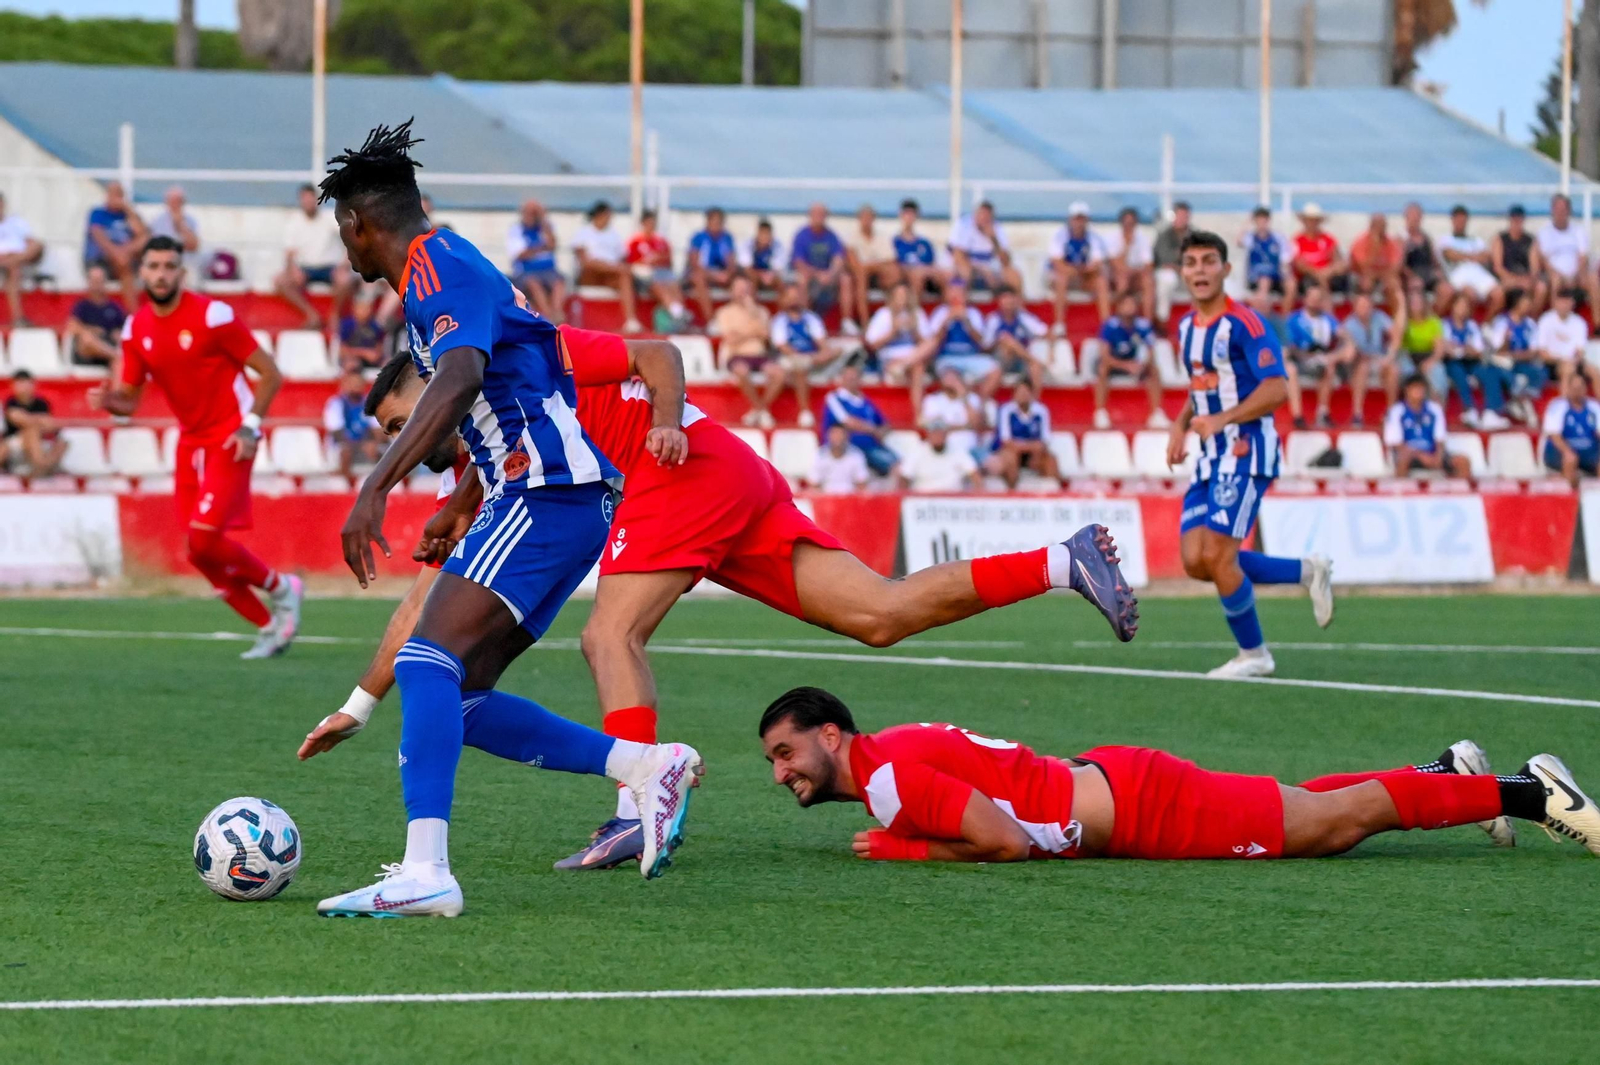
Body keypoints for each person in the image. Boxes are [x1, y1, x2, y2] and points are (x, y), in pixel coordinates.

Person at [341, 324, 1138, 877]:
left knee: (608, 635)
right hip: (727, 473)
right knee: (880, 614)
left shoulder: (517, 353)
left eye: (399, 421)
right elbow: (427, 601)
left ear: (430, 380)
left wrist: (659, 424)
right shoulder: (485, 438)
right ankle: (1061, 563)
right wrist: (362, 699)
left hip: (679, 470)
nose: (400, 443)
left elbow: (654, 356)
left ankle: (637, 801)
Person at [314, 121, 702, 912]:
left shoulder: (436, 267)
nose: (346, 252)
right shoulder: (448, 273)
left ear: (359, 223)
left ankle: (427, 874)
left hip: (547, 490)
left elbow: (460, 380)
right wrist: (458, 502)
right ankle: (642, 768)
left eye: (343, 233)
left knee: (425, 662)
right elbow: (508, 390)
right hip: (556, 496)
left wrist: (376, 485)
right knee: (456, 696)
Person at [757, 687, 1600, 864]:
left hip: (1144, 809)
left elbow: (1006, 842)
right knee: (1310, 808)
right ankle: (1444, 770)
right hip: (1125, 789)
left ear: (833, 733)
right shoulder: (891, 753)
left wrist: (914, 855)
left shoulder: (888, 780)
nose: (781, 772)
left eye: (787, 752)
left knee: (1337, 823)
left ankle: (1531, 791)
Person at [88, 235, 302, 658]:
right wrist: (111, 400)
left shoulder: (214, 315)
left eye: (170, 266)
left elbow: (270, 373)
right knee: (197, 553)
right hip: (190, 442)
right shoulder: (137, 328)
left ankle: (282, 587)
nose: (161, 274)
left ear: (182, 273)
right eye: (153, 266)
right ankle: (269, 625)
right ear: (141, 273)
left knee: (204, 540)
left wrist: (251, 426)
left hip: (230, 435)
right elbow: (129, 400)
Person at [1165, 230, 1333, 679]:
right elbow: (1202, 385)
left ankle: (1255, 655)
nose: (1199, 270)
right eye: (1191, 263)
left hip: (1245, 450)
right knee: (1197, 562)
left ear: (1225, 268)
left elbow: (1278, 387)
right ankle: (1306, 571)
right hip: (1208, 454)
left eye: (1208, 261)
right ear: (1182, 272)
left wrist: (1223, 420)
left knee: (1220, 558)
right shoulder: (1186, 328)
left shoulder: (1246, 323)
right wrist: (1180, 425)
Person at [275, 183, 353, 330]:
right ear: (300, 201)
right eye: (305, 199)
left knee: (345, 280)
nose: (308, 203)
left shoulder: (330, 217)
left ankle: (334, 315)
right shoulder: (294, 223)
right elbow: (289, 253)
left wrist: (344, 264)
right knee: (280, 281)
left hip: (330, 268)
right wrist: (292, 270)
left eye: (311, 199)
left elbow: (350, 240)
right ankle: (312, 315)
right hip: (305, 269)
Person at [1283, 282, 1357, 429]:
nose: (1315, 301)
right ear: (1305, 299)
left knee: (1335, 360)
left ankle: (1322, 413)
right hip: (1301, 358)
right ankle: (1297, 416)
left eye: (1318, 298)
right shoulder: (1295, 319)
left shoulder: (1328, 319)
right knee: (1290, 368)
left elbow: (1344, 335)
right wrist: (1307, 357)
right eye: (1312, 297)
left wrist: (1347, 343)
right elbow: (1290, 347)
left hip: (1323, 358)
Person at [1092, 290, 1167, 430]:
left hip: (1135, 363)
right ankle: (1100, 412)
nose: (1129, 307)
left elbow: (1150, 353)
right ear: (1119, 306)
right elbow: (1105, 356)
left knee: (1154, 370)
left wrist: (1141, 365)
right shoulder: (1109, 326)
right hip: (1115, 363)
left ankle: (1156, 413)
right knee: (1102, 368)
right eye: (1125, 304)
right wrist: (1126, 366)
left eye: (1132, 304)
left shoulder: (1143, 326)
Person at [1435, 292, 1511, 431]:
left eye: (1466, 306)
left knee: (1489, 371)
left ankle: (1491, 412)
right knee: (1457, 370)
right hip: (1452, 362)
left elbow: (1478, 350)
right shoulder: (1444, 324)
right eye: (1460, 305)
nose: (1463, 309)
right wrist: (1464, 348)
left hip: (1471, 361)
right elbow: (1447, 348)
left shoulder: (1472, 326)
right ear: (1453, 306)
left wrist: (1462, 349)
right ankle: (1469, 409)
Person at [712, 274, 778, 428]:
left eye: (746, 288)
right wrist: (754, 331)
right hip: (737, 355)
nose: (743, 292)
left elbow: (766, 336)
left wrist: (748, 322)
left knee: (779, 372)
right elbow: (730, 339)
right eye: (739, 288)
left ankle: (758, 409)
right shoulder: (724, 312)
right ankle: (762, 410)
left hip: (760, 355)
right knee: (741, 371)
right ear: (732, 291)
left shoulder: (761, 311)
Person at [571, 200, 642, 334]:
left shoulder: (614, 235)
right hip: (591, 274)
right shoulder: (584, 232)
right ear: (599, 215)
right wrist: (614, 267)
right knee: (598, 263)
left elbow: (623, 258)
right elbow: (585, 261)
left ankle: (631, 320)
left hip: (610, 274)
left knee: (624, 276)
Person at [769, 282, 832, 428]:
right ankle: (805, 411)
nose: (793, 300)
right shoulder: (779, 320)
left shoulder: (811, 318)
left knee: (842, 351)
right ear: (784, 300)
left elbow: (822, 342)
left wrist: (823, 353)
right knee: (799, 366)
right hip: (790, 359)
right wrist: (806, 358)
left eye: (796, 297)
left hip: (812, 358)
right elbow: (783, 346)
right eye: (790, 297)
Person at [1385, 373, 1471, 478]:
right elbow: (1396, 443)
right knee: (1403, 459)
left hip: (1432, 453)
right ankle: (1400, 492)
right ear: (1406, 390)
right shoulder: (1397, 411)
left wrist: (1438, 456)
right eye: (1415, 388)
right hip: (1410, 454)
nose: (1418, 391)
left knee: (1462, 461)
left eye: (1421, 388)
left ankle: (1458, 492)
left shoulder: (1434, 409)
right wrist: (1420, 455)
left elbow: (1440, 439)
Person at [822, 360, 898, 477]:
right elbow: (848, 422)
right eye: (848, 378)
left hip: (871, 448)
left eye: (854, 378)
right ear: (841, 379)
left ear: (860, 379)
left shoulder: (865, 401)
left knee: (900, 466)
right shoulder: (834, 398)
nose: (851, 381)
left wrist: (881, 431)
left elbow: (884, 424)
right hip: (846, 449)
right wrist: (874, 430)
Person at [924, 281, 999, 400]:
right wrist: (946, 321)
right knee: (949, 378)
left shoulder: (973, 313)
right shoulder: (940, 312)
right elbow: (932, 342)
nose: (956, 296)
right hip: (947, 357)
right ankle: (966, 403)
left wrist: (967, 321)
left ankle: (979, 404)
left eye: (960, 293)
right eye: (953, 292)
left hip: (971, 356)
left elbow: (982, 342)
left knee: (995, 371)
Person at [790, 203, 858, 333]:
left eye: (822, 215)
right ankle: (805, 321)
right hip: (811, 276)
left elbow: (839, 258)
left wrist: (831, 274)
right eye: (816, 214)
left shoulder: (831, 236)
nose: (819, 217)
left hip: (829, 277)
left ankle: (847, 321)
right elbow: (799, 263)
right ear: (810, 216)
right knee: (801, 279)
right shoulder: (801, 236)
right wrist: (818, 274)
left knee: (846, 279)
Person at [1486, 290, 1547, 426]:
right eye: (1526, 302)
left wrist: (1513, 355)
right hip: (1503, 363)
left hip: (1522, 362)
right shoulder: (1502, 322)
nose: (1529, 305)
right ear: (1516, 304)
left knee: (1540, 372)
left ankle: (1517, 400)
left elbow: (1533, 352)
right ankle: (1521, 402)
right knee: (1500, 368)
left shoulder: (1530, 324)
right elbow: (1499, 351)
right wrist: (1506, 341)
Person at [863, 279, 932, 399]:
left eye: (905, 295)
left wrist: (914, 330)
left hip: (912, 356)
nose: (902, 298)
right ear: (892, 297)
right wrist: (892, 332)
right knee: (918, 367)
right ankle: (918, 414)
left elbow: (927, 345)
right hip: (889, 357)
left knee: (927, 351)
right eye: (899, 295)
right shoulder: (883, 314)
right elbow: (871, 345)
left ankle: (902, 365)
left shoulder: (917, 313)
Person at [1048, 202, 1111, 331]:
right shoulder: (1060, 236)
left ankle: (1106, 324)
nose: (1079, 223)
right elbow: (1058, 264)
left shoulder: (1094, 238)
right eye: (1076, 219)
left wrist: (1080, 270)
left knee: (1101, 281)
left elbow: (1097, 264)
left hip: (1082, 277)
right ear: (1070, 220)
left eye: (1082, 219)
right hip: (1063, 277)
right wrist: (1080, 269)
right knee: (1061, 279)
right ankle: (1059, 323)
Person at [85, 181, 148, 308]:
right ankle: (133, 313)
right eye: (113, 194)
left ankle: (134, 314)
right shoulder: (98, 213)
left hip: (126, 258)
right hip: (101, 260)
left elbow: (143, 235)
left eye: (119, 194)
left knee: (129, 257)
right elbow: (99, 237)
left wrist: (128, 210)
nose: (116, 197)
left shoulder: (128, 215)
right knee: (123, 262)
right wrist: (117, 253)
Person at [625, 209, 689, 333]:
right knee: (657, 284)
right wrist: (647, 261)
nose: (651, 226)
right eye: (649, 223)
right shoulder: (635, 242)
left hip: (663, 273)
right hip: (644, 277)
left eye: (653, 223)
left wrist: (658, 259)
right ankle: (677, 312)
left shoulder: (662, 242)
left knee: (673, 283)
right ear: (643, 223)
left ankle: (679, 312)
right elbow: (630, 264)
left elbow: (669, 262)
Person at [987, 379, 1058, 488]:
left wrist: (1036, 452)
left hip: (1031, 454)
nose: (1023, 396)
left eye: (1025, 392)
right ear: (1014, 395)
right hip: (1011, 451)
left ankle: (1052, 494)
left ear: (1032, 394)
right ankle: (1012, 492)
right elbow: (1007, 442)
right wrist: (1032, 447)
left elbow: (1045, 440)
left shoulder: (1041, 411)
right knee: (1010, 457)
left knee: (1050, 460)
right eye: (1020, 393)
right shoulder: (1006, 411)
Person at [1339, 292, 1394, 429]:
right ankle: (1357, 413)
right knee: (1363, 367)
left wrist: (1389, 354)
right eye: (1361, 305)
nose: (1365, 308)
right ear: (1355, 307)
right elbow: (1350, 352)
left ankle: (1391, 412)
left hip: (1377, 358)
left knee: (1393, 369)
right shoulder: (1349, 324)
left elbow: (1395, 333)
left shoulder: (1379, 317)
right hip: (1358, 361)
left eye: (1367, 305)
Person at [505, 198, 565, 324]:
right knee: (534, 283)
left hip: (548, 270)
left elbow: (552, 245)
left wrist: (543, 222)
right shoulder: (516, 230)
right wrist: (541, 248)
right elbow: (521, 254)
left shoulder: (545, 228)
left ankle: (557, 314)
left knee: (558, 281)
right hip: (526, 272)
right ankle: (548, 317)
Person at [1537, 193, 1600, 310]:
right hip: (1554, 275)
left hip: (1577, 275)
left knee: (1593, 279)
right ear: (1552, 210)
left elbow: (1583, 257)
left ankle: (1598, 324)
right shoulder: (1545, 232)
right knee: (1556, 280)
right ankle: (1555, 320)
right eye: (1557, 209)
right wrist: (1561, 276)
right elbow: (1544, 261)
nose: (1561, 212)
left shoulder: (1578, 230)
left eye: (1564, 209)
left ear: (1569, 211)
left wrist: (1575, 275)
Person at [984, 284, 1049, 395]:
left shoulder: (1023, 317)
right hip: (1001, 360)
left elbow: (1045, 332)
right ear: (999, 301)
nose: (1008, 301)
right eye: (1005, 298)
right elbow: (985, 346)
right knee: (1006, 339)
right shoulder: (993, 319)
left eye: (1010, 298)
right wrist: (1000, 341)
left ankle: (1034, 402)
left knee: (1035, 368)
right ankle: (1032, 360)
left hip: (1020, 360)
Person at [1438, 205, 1503, 315]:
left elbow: (1486, 256)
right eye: (1458, 220)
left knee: (1499, 294)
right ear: (1452, 220)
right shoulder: (1446, 239)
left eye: (1463, 220)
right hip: (1459, 275)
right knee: (1471, 294)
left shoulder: (1476, 240)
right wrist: (1474, 256)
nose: (1460, 223)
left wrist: (1463, 256)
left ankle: (1485, 324)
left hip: (1478, 274)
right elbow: (1450, 254)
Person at [947, 201, 1021, 294]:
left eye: (987, 217)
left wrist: (994, 239)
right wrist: (982, 270)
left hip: (991, 270)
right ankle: (962, 306)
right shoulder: (963, 225)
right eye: (981, 215)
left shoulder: (997, 228)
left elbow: (1006, 262)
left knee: (1013, 274)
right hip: (967, 269)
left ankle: (1017, 307)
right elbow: (958, 257)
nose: (983, 220)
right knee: (965, 271)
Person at [1, 370, 66, 475]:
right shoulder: (11, 402)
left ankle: (44, 466)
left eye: (27, 384)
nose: (24, 388)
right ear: (13, 386)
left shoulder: (42, 403)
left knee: (63, 443)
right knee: (32, 431)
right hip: (15, 442)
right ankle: (41, 465)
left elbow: (49, 425)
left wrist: (28, 419)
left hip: (39, 440)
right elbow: (18, 420)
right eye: (20, 384)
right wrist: (38, 420)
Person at [1392, 283, 1448, 405]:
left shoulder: (1433, 321)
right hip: (1407, 355)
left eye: (1418, 301)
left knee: (1437, 372)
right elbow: (1397, 338)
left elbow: (1439, 349)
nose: (1415, 304)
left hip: (1427, 355)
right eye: (1412, 302)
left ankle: (1437, 409)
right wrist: (1401, 306)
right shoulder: (1404, 320)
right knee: (1406, 371)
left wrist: (1431, 361)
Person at [1536, 288, 1600, 394]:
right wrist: (1562, 360)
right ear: (1556, 303)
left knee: (1594, 371)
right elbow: (1542, 353)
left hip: (1574, 361)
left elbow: (1580, 351)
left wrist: (1575, 360)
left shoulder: (1579, 322)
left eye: (1567, 302)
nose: (1564, 306)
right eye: (1562, 302)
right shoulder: (1546, 320)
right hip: (1553, 362)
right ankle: (1564, 404)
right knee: (1568, 369)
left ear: (1572, 304)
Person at [1542, 373, 1600, 487]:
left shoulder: (1594, 406)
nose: (1577, 391)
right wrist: (1567, 451)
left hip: (1588, 450)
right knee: (1570, 459)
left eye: (1580, 387)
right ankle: (1571, 497)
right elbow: (1555, 436)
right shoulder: (1557, 406)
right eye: (1574, 388)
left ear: (1585, 389)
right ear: (1568, 389)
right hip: (1561, 450)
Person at [846, 204, 900, 323]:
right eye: (864, 217)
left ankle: (894, 318)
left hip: (879, 275)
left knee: (893, 273)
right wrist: (873, 266)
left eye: (869, 217)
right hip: (861, 276)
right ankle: (865, 322)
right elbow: (854, 264)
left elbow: (891, 261)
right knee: (861, 276)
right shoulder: (852, 237)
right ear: (859, 219)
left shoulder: (882, 237)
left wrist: (870, 266)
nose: (866, 220)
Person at [64, 263, 126, 368]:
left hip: (108, 346)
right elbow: (72, 326)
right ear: (89, 282)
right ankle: (115, 355)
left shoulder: (115, 308)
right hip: (87, 354)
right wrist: (90, 330)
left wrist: (118, 334)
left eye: (99, 281)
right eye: (94, 281)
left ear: (105, 282)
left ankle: (114, 356)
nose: (97, 284)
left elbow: (125, 330)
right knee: (86, 338)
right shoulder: (82, 306)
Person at [323, 371, 383, 477]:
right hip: (343, 445)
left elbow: (377, 430)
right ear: (344, 385)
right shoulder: (336, 403)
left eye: (358, 384)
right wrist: (359, 445)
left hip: (365, 444)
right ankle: (344, 484)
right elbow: (337, 433)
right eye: (352, 383)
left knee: (383, 449)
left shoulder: (369, 403)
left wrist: (373, 442)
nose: (355, 387)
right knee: (345, 452)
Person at [919, 364, 986, 458]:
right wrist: (965, 426)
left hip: (970, 449)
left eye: (954, 378)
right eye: (947, 378)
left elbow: (976, 424)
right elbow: (932, 426)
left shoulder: (972, 398)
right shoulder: (932, 400)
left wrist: (963, 397)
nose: (951, 382)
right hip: (944, 450)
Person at [1492, 204, 1547, 315]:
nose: (1517, 222)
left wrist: (1527, 280)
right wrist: (1517, 281)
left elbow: (1535, 268)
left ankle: (1532, 320)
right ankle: (1488, 322)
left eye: (1519, 219)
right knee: (1498, 292)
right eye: (1514, 219)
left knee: (1541, 288)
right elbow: (1498, 267)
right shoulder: (1500, 239)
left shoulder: (1531, 241)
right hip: (1507, 279)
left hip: (1525, 279)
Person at [1239, 205, 1295, 313]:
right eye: (1259, 219)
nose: (1262, 222)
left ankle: (1285, 317)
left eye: (1264, 219)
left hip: (1275, 274)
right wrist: (1246, 223)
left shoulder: (1277, 237)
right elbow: (1239, 241)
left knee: (1291, 284)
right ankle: (1260, 318)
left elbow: (1285, 258)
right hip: (1257, 276)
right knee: (1265, 281)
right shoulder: (1251, 237)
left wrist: (1286, 273)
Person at [687, 207, 740, 322]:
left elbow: (731, 262)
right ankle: (711, 319)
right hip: (705, 273)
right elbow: (694, 263)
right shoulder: (698, 237)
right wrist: (714, 275)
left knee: (740, 281)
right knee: (698, 278)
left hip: (721, 274)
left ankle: (737, 318)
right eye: (714, 221)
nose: (717, 225)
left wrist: (727, 273)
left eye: (719, 222)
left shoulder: (727, 238)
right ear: (708, 221)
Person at [0, 191, 44, 326]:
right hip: (4, 259)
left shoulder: (16, 222)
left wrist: (17, 257)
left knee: (38, 245)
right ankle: (18, 317)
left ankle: (13, 261)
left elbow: (31, 242)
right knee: (14, 268)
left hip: (18, 257)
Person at [1105, 206, 1155, 321]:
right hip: (1117, 276)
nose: (1129, 227)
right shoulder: (1112, 238)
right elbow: (1115, 264)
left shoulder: (1143, 238)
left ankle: (1148, 321)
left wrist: (1134, 272)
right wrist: (1127, 246)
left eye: (1131, 223)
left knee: (1148, 281)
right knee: (1122, 279)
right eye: (1126, 223)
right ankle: (1120, 319)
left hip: (1136, 275)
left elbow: (1149, 265)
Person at [1348, 211, 1404, 311]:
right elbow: (1363, 267)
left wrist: (1381, 275)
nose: (1380, 229)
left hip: (1381, 276)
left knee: (1394, 284)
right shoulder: (1361, 242)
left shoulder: (1390, 243)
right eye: (1377, 226)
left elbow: (1395, 267)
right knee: (1366, 283)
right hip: (1362, 276)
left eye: (1382, 226)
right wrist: (1375, 247)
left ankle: (1396, 316)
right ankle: (1364, 313)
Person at [901, 423, 981, 492]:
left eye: (940, 433)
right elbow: (904, 478)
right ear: (929, 435)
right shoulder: (917, 452)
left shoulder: (958, 451)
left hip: (954, 501)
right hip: (922, 501)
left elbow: (975, 475)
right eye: (934, 433)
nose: (938, 437)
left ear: (946, 435)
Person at [1399, 201, 1448, 312]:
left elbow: (1435, 260)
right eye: (1412, 216)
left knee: (1447, 290)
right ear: (1406, 217)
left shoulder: (1426, 238)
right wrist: (1412, 277)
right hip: (1410, 276)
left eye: (1417, 216)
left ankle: (1432, 318)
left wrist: (1439, 272)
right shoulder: (1401, 238)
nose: (1415, 219)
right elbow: (1400, 265)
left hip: (1428, 274)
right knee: (1416, 291)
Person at [1290, 203, 1346, 296]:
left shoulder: (1328, 239)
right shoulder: (1297, 241)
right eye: (1309, 220)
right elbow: (1299, 264)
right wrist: (1317, 274)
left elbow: (1340, 261)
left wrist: (1329, 271)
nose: (1312, 223)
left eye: (1314, 220)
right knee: (1316, 283)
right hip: (1308, 277)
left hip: (1329, 276)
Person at [1151, 200, 1193, 327]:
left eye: (1184, 216)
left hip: (1186, 273)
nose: (1181, 220)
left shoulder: (1195, 235)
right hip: (1167, 273)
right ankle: (1162, 320)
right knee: (1167, 279)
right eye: (1179, 216)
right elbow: (1165, 260)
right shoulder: (1164, 234)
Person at [892, 198, 944, 297]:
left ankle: (948, 309)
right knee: (917, 275)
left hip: (926, 278)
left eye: (912, 214)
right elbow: (894, 265)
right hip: (904, 278)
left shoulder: (924, 243)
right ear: (901, 215)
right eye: (906, 213)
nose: (909, 217)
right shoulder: (895, 242)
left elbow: (932, 264)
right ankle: (914, 310)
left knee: (945, 275)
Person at [807, 423, 870, 493]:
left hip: (850, 497)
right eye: (834, 434)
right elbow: (814, 484)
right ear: (828, 436)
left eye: (841, 434)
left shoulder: (856, 455)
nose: (837, 437)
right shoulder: (819, 455)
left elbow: (861, 484)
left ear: (847, 436)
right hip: (826, 498)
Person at [147, 185, 201, 255]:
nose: (174, 204)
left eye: (178, 201)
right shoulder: (157, 220)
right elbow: (154, 244)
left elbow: (194, 246)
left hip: (186, 258)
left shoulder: (191, 220)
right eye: (172, 200)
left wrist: (180, 224)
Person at [738, 218, 785, 294]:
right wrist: (761, 275)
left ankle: (783, 304)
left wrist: (769, 276)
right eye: (762, 234)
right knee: (752, 280)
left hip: (769, 277)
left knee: (780, 283)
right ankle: (751, 304)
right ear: (758, 234)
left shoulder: (777, 246)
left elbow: (778, 268)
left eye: (767, 234)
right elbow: (746, 268)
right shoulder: (748, 245)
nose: (765, 237)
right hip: (753, 276)